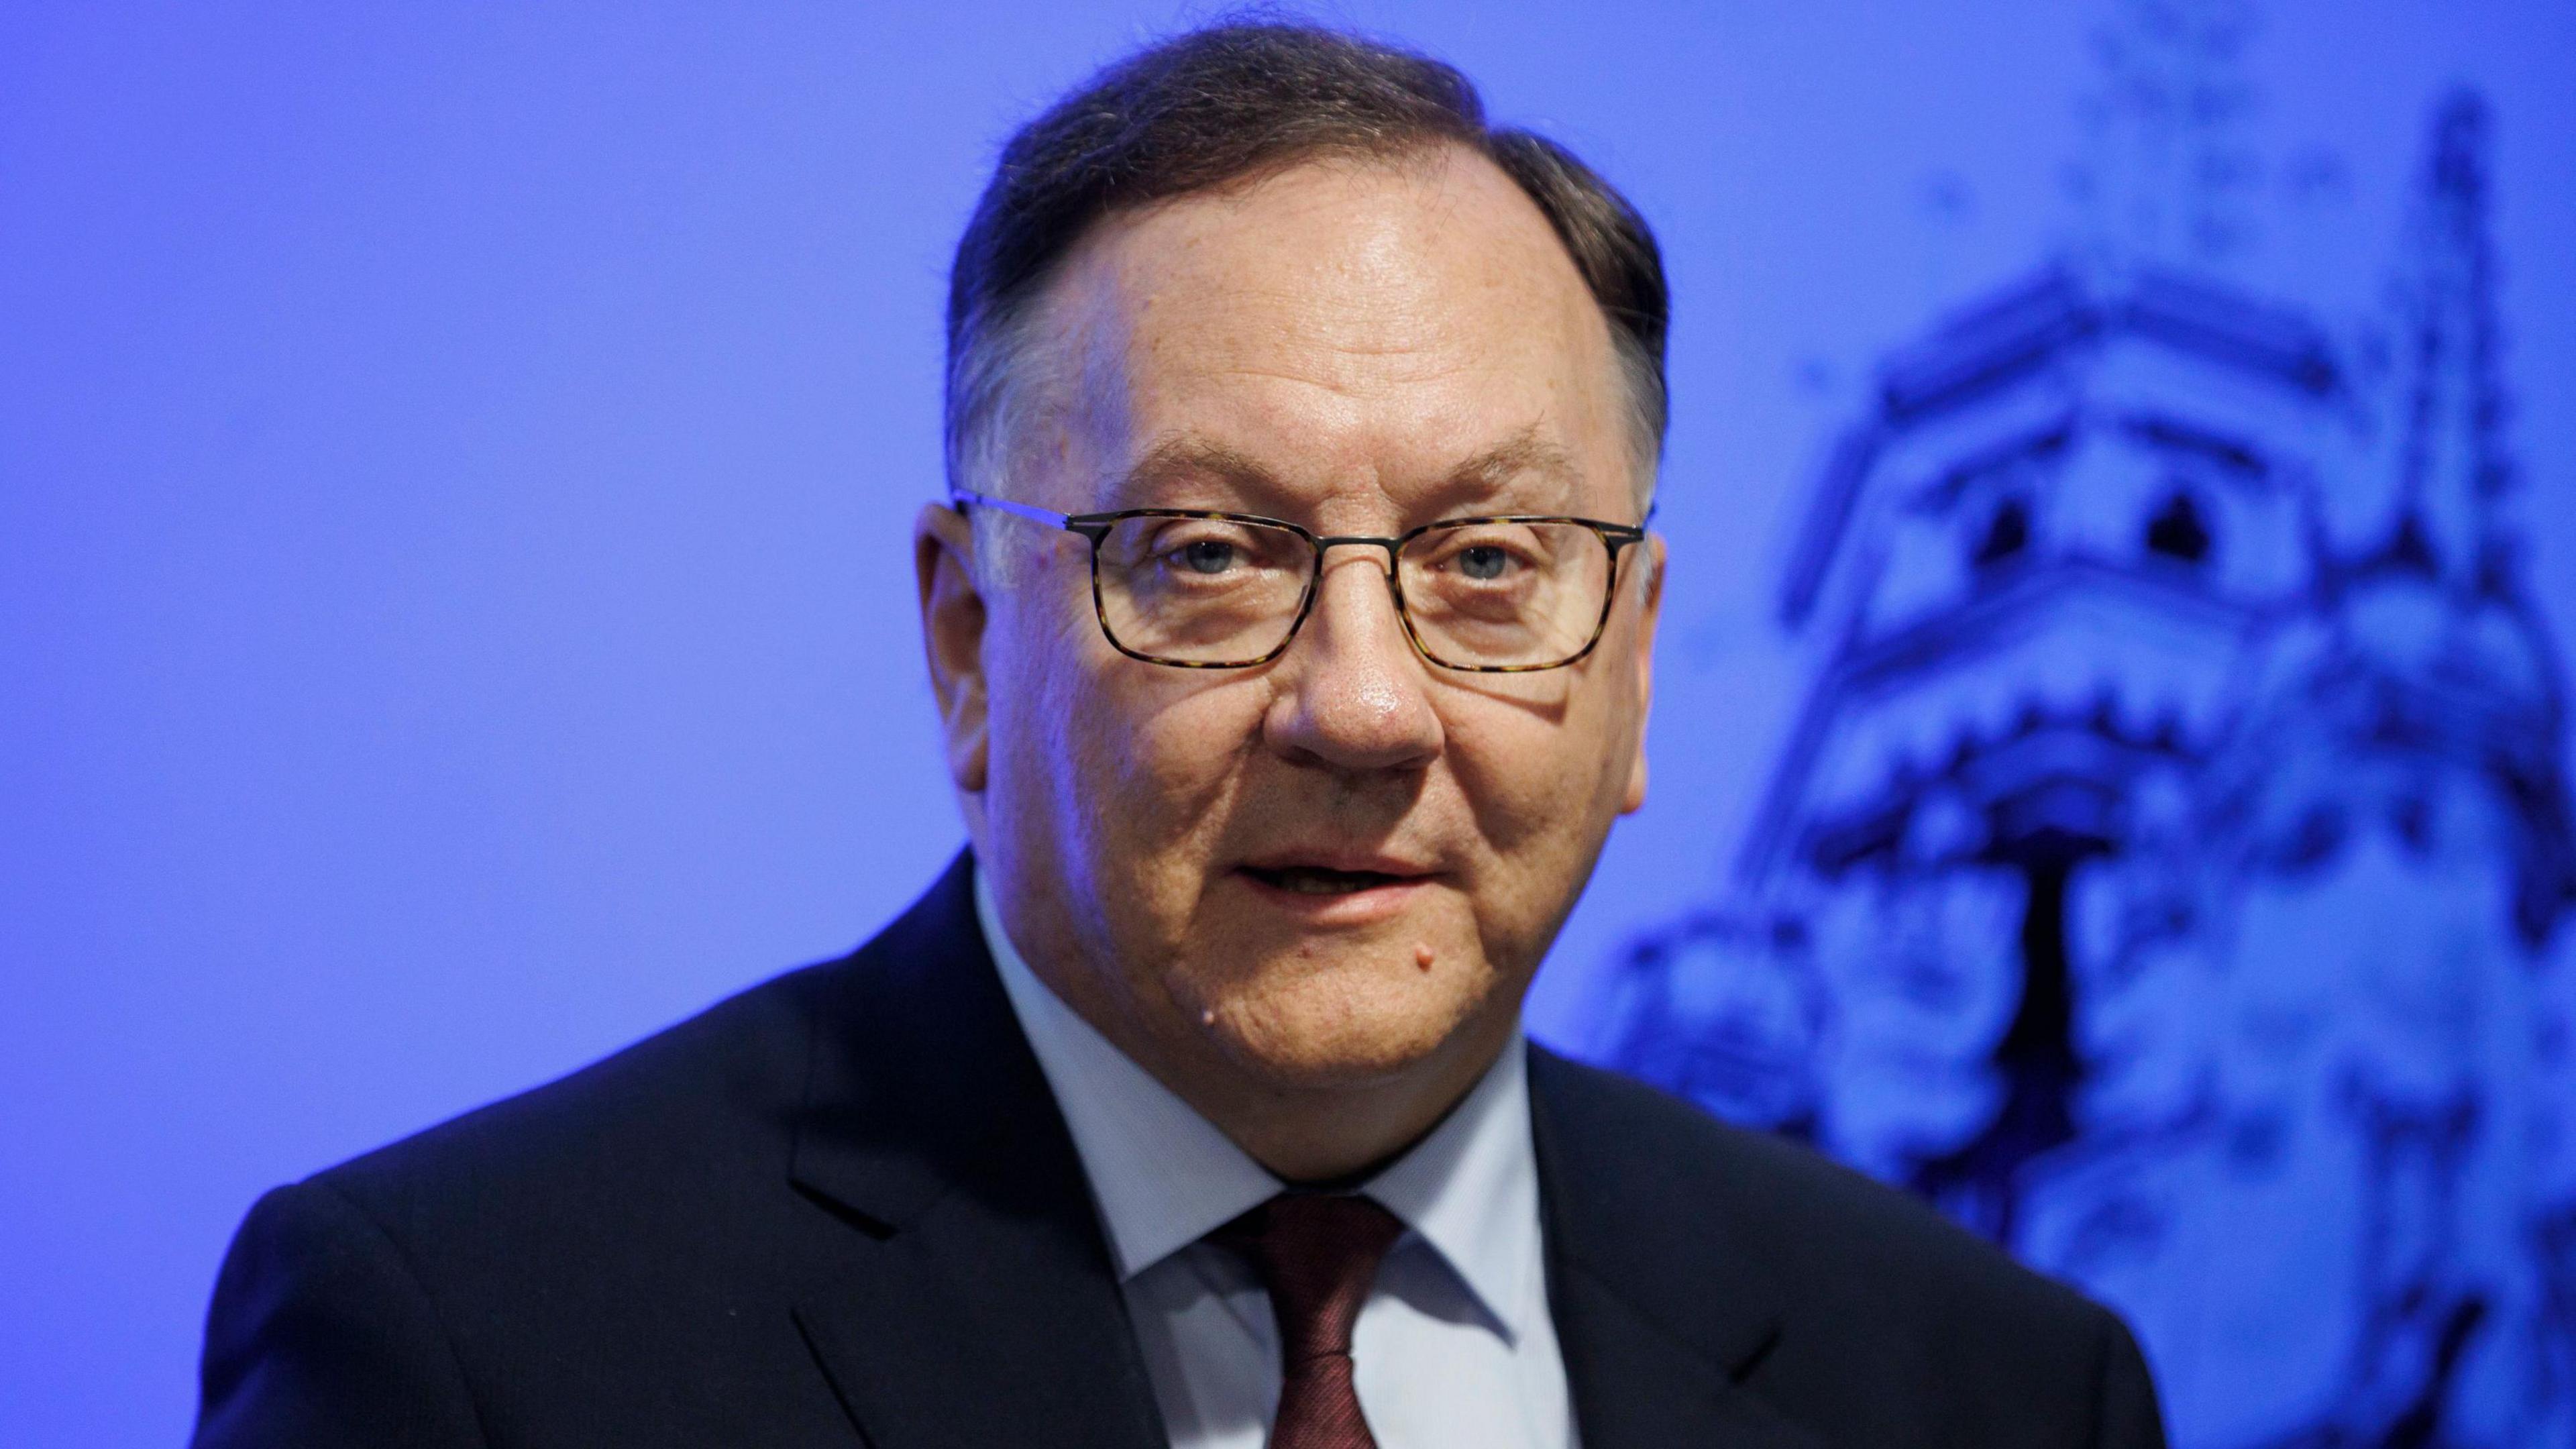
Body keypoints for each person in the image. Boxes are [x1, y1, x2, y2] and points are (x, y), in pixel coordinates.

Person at [192, 23, 2165, 1449]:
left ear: (1633, 667)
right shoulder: (473, 1349)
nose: (1368, 705)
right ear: (969, 647)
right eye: (1211, 556)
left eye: (1490, 563)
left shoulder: (1983, 1387)